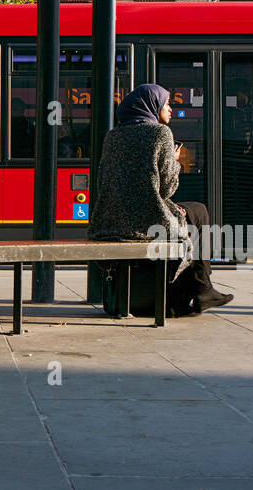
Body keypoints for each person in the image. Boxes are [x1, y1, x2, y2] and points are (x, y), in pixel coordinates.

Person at [88, 83, 233, 316]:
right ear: (152, 106)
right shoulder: (160, 133)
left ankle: (203, 288)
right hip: (146, 222)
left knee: (191, 212)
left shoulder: (112, 136)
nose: (170, 109)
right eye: (166, 104)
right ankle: (203, 288)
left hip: (110, 222)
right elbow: (167, 189)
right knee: (199, 211)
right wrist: (176, 162)